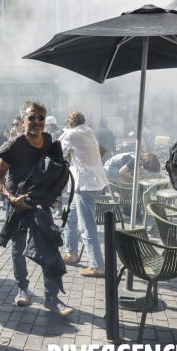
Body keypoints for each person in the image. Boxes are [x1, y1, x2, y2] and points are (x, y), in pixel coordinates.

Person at [0, 100, 73, 315]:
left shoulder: (48, 140)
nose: (36, 121)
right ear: (23, 120)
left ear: (45, 121)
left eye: (40, 117)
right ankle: (22, 289)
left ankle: (51, 297)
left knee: (48, 245)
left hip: (39, 203)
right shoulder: (13, 146)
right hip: (17, 204)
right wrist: (11, 198)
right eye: (31, 117)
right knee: (18, 248)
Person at [59, 112, 110, 277]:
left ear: (70, 123)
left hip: (85, 185)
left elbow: (57, 151)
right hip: (94, 183)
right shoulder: (89, 131)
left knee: (87, 228)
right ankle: (72, 253)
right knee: (70, 218)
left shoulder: (72, 134)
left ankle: (98, 266)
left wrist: (65, 132)